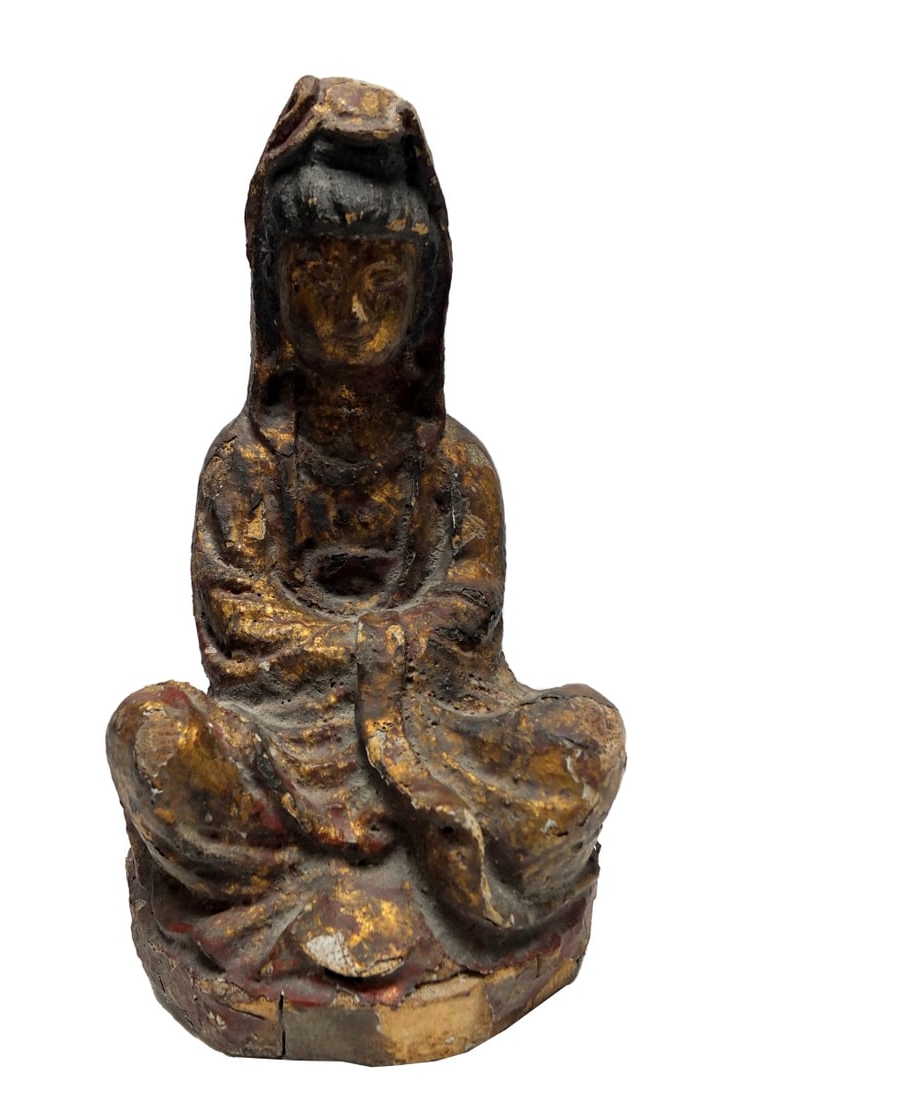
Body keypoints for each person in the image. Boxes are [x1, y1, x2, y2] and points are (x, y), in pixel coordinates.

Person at [107, 77, 625, 1012]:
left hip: (444, 740)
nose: (350, 314)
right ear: (274, 291)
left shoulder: (456, 465)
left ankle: (362, 882)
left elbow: (468, 617)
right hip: (282, 743)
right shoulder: (245, 465)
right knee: (152, 736)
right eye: (320, 281)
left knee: (588, 737)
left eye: (380, 285)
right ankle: (357, 878)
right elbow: (239, 629)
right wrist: (361, 659)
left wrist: (385, 671)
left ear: (426, 297)